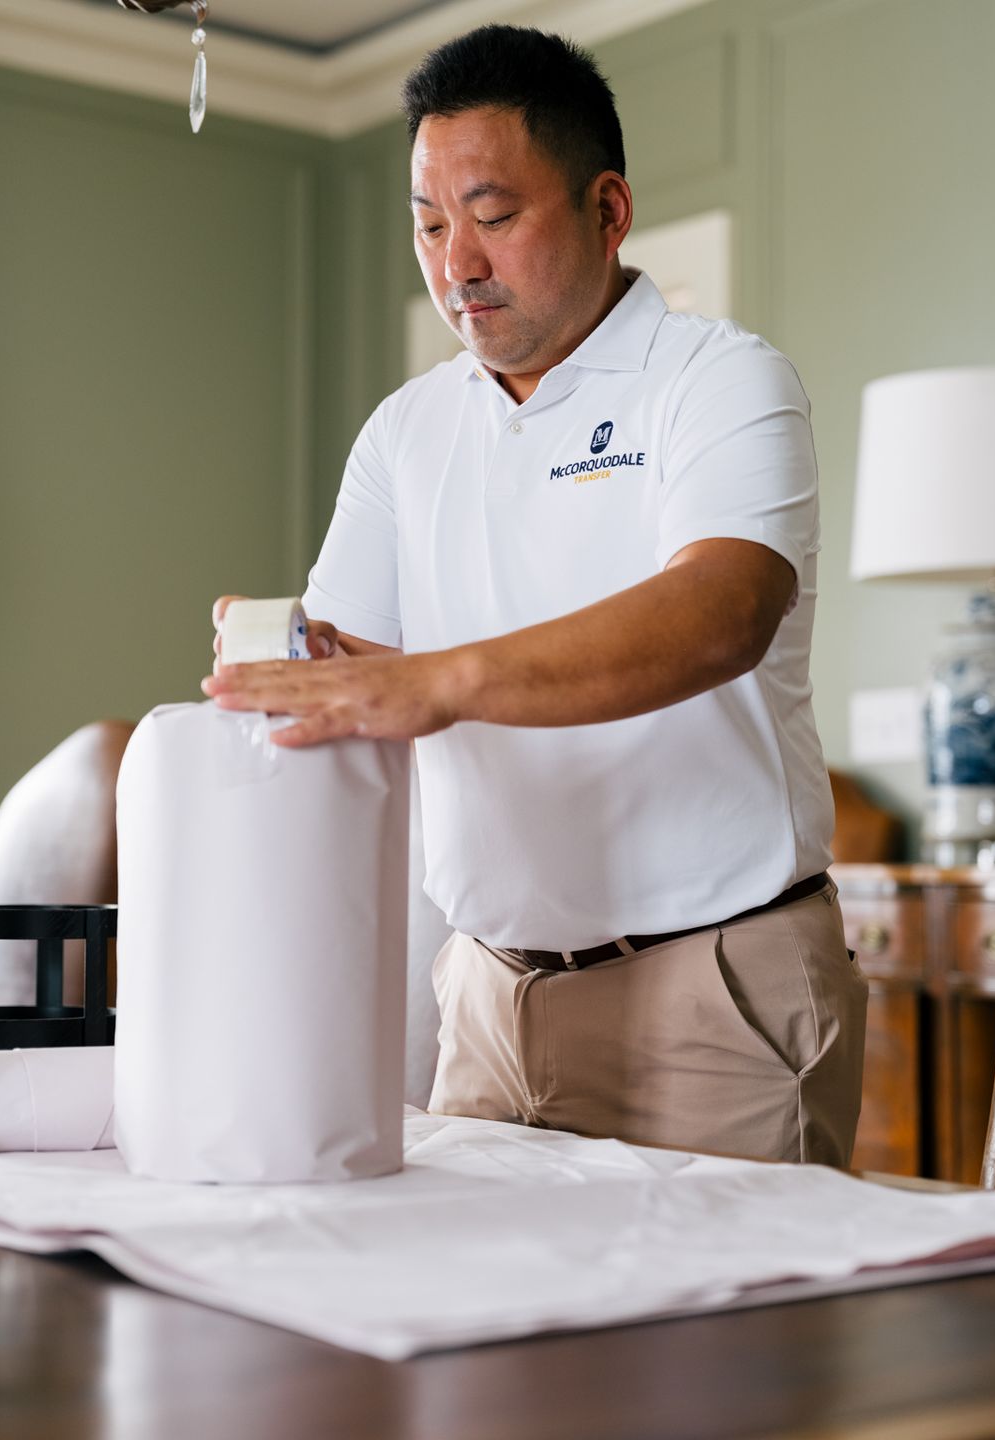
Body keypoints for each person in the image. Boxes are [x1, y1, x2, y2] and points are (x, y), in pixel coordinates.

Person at [201, 25, 863, 1166]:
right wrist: (294, 656)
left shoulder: (719, 379)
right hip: (488, 1004)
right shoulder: (407, 431)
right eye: (428, 224)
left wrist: (434, 684)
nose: (457, 262)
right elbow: (361, 668)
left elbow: (721, 612)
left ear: (608, 210)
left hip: (715, 990)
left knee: (722, 1343)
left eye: (495, 216)